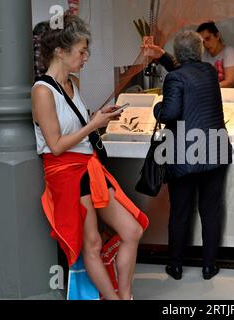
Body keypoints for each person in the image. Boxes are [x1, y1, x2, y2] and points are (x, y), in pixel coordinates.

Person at [31, 13, 149, 300]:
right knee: (92, 243)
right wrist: (91, 125)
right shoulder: (42, 91)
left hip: (88, 167)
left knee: (131, 230)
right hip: (66, 172)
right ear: (60, 50)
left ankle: (125, 294)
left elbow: (78, 128)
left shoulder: (73, 83)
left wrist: (96, 119)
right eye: (82, 51)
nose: (86, 57)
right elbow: (56, 145)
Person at [153, 31, 233, 281]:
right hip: (215, 150)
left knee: (180, 210)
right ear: (200, 52)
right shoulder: (209, 72)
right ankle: (209, 266)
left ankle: (175, 265)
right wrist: (163, 57)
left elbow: (170, 113)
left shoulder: (175, 78)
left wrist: (157, 108)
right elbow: (186, 70)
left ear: (178, 54)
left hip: (185, 154)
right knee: (211, 209)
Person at [143, 22, 234, 88]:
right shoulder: (203, 54)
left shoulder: (229, 52)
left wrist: (203, 87)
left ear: (217, 36)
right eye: (202, 41)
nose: (206, 44)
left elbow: (230, 82)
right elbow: (186, 69)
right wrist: (162, 55)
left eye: (208, 38)